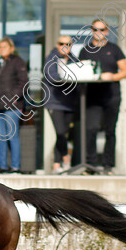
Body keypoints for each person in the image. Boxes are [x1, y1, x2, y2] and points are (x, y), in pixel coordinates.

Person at [78, 19, 126, 175]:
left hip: (111, 95)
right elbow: (80, 72)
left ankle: (108, 166)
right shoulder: (85, 50)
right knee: (91, 129)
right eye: (95, 29)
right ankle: (91, 166)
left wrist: (112, 76)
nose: (98, 32)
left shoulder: (114, 49)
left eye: (101, 29)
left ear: (107, 31)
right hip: (93, 96)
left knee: (110, 131)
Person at [0, 37, 28, 174]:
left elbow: (23, 82)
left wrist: (13, 98)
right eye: (0, 47)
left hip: (12, 107)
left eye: (4, 47)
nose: (1, 50)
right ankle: (2, 165)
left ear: (11, 48)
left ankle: (15, 166)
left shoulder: (17, 62)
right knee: (1, 136)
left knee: (12, 136)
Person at [44, 35, 79, 174]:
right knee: (60, 132)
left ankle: (57, 163)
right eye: (61, 43)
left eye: (68, 44)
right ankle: (64, 158)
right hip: (55, 102)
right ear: (57, 45)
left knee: (63, 133)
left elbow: (80, 75)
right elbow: (52, 76)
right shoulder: (51, 59)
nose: (65, 46)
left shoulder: (74, 60)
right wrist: (69, 77)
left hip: (70, 103)